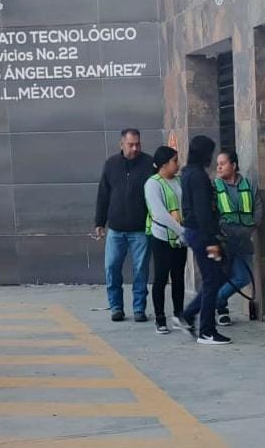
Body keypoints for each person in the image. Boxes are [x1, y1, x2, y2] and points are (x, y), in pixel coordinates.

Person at [94, 129, 155, 322]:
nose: (135, 148)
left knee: (140, 271)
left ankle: (139, 309)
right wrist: (99, 222)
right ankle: (116, 308)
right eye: (131, 144)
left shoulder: (148, 164)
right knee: (111, 268)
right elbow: (103, 195)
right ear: (122, 144)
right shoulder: (111, 165)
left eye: (137, 144)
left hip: (140, 230)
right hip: (116, 229)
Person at [175, 135, 231, 345]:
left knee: (215, 278)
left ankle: (188, 316)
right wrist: (212, 243)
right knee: (212, 280)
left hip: (195, 233)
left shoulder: (188, 172)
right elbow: (203, 212)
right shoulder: (197, 176)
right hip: (201, 234)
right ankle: (206, 331)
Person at [213, 151, 263, 326]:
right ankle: (221, 310)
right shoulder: (214, 186)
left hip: (243, 238)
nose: (218, 167)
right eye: (217, 163)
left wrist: (250, 228)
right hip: (224, 239)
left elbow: (257, 208)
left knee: (243, 277)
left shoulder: (249, 184)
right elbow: (212, 212)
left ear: (233, 165)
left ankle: (215, 299)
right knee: (221, 275)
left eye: (223, 163)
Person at [144, 146, 187, 334]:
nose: (177, 164)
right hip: (161, 237)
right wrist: (181, 230)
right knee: (161, 277)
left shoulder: (179, 181)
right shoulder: (153, 183)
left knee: (179, 277)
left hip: (180, 238)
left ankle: (179, 314)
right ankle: (160, 318)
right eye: (174, 161)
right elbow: (159, 214)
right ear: (164, 164)